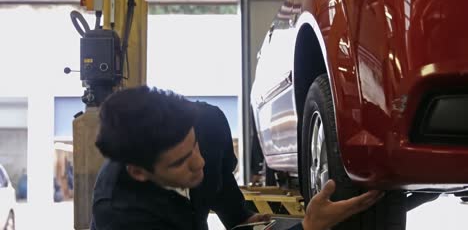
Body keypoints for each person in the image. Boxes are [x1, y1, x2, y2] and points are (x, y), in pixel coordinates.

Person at [90, 86, 382, 230]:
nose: (199, 163)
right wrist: (308, 227)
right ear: (140, 172)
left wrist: (240, 217)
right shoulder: (121, 216)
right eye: (180, 162)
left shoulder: (207, 123)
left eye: (195, 147)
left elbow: (219, 178)